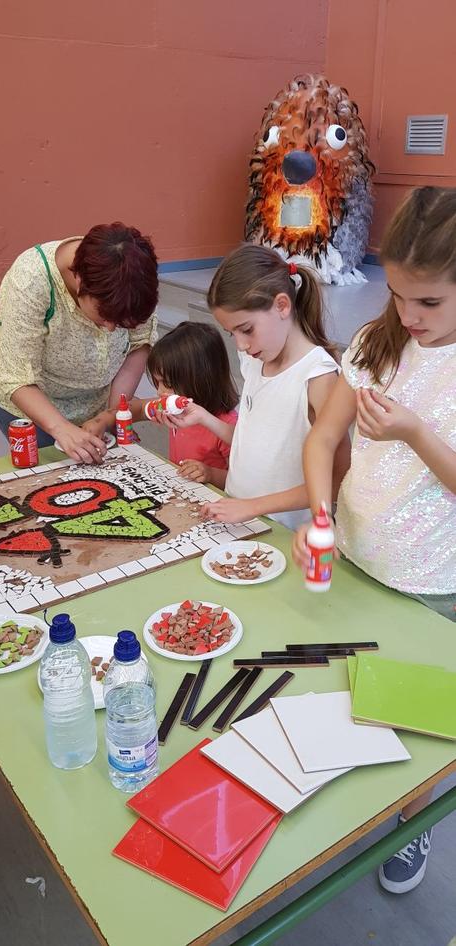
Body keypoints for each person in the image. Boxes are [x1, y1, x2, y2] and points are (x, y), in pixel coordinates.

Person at [292, 186, 456, 894]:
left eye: (430, 304)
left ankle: (411, 824)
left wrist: (417, 432)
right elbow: (326, 435)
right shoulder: (376, 341)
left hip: (430, 586)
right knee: (346, 698)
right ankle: (353, 799)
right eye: (396, 295)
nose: (407, 316)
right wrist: (321, 516)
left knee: (416, 726)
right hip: (356, 559)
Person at [167, 243, 351, 528]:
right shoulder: (254, 359)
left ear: (281, 305)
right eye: (232, 334)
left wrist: (253, 507)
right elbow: (252, 442)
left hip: (283, 534)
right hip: (241, 522)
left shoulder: (319, 377)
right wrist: (203, 417)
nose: (240, 345)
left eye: (247, 329)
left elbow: (337, 480)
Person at [0, 223, 158, 464]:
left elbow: (138, 345)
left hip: (100, 401)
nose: (111, 329)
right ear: (79, 280)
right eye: (105, 316)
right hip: (35, 403)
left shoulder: (135, 278)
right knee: (52, 479)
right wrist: (61, 429)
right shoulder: (31, 279)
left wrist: (112, 414)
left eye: (122, 324)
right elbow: (18, 377)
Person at [85, 321, 238, 488]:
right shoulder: (175, 408)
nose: (160, 392)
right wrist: (101, 421)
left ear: (201, 379)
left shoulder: (226, 425)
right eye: (157, 383)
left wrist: (209, 473)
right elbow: (135, 409)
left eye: (167, 383)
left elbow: (240, 482)